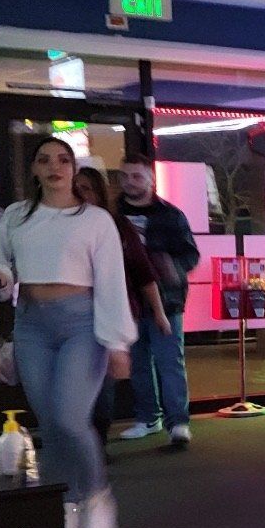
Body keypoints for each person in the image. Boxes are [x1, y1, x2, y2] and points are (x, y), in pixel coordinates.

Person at [0, 137, 136, 528]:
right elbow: (1, 265)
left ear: (74, 168)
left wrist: (118, 343)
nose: (55, 167)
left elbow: (112, 284)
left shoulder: (95, 220)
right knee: (49, 425)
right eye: (44, 160)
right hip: (32, 326)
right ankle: (65, 503)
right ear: (33, 169)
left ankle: (98, 497)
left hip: (81, 325)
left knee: (68, 418)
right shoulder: (16, 216)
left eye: (63, 160)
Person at [73, 167, 171, 453]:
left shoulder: (116, 226)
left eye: (87, 188)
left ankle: (97, 445)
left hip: (107, 316)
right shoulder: (59, 226)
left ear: (100, 193)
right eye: (76, 187)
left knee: (103, 388)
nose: (81, 194)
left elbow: (143, 272)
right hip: (68, 317)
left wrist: (159, 312)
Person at [117, 155, 199, 447]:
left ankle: (178, 423)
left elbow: (192, 255)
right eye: (125, 176)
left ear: (151, 180)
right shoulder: (111, 214)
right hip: (127, 300)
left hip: (167, 301)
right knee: (137, 362)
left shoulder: (170, 215)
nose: (130, 182)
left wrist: (168, 267)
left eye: (137, 176)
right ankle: (148, 418)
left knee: (169, 362)